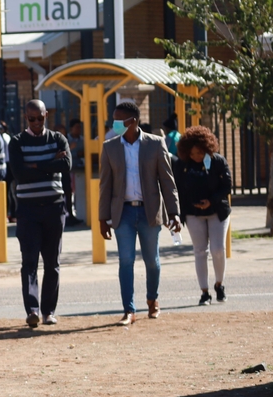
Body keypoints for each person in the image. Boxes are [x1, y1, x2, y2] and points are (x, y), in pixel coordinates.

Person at [99, 100, 182, 324]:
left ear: (132, 121)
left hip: (149, 212)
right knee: (125, 261)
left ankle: (152, 300)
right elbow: (105, 184)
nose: (114, 124)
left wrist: (174, 213)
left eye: (118, 120)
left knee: (152, 261)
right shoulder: (110, 146)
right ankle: (129, 310)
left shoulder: (155, 144)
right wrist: (102, 218)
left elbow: (167, 180)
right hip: (122, 213)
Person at [10, 100, 72, 327]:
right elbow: (19, 174)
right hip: (28, 210)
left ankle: (48, 311)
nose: (36, 123)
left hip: (55, 208)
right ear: (26, 118)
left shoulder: (58, 139)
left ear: (46, 115)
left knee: (52, 263)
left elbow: (66, 165)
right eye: (31, 119)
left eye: (40, 118)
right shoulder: (17, 142)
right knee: (29, 263)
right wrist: (49, 164)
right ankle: (33, 310)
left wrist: (35, 166)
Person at [173, 126, 232, 305]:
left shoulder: (217, 161)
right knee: (199, 251)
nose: (196, 156)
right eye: (192, 153)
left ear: (207, 148)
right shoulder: (183, 165)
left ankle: (219, 285)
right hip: (193, 213)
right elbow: (177, 189)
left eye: (199, 152)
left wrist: (211, 201)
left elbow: (227, 186)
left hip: (217, 211)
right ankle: (204, 292)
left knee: (217, 249)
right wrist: (177, 213)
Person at [66, 119, 85, 225]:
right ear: (71, 128)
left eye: (80, 127)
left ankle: (78, 213)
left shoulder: (82, 139)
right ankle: (70, 215)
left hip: (80, 169)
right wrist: (72, 150)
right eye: (76, 127)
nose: (79, 129)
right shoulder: (67, 140)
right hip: (69, 170)